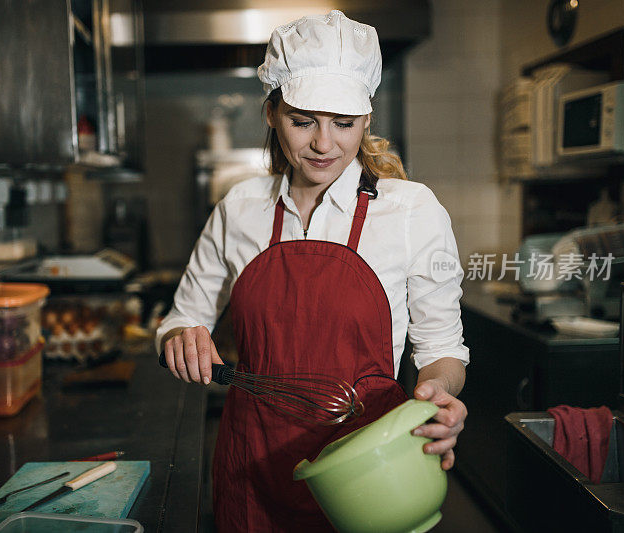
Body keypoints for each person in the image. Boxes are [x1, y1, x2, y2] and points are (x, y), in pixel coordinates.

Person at [156, 10, 469, 532]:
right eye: (304, 121)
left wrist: (438, 394)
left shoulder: (412, 211)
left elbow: (442, 351)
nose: (324, 145)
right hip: (248, 471)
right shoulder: (239, 208)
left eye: (343, 124)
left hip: (369, 472)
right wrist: (179, 340)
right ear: (273, 114)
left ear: (366, 120)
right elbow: (179, 319)